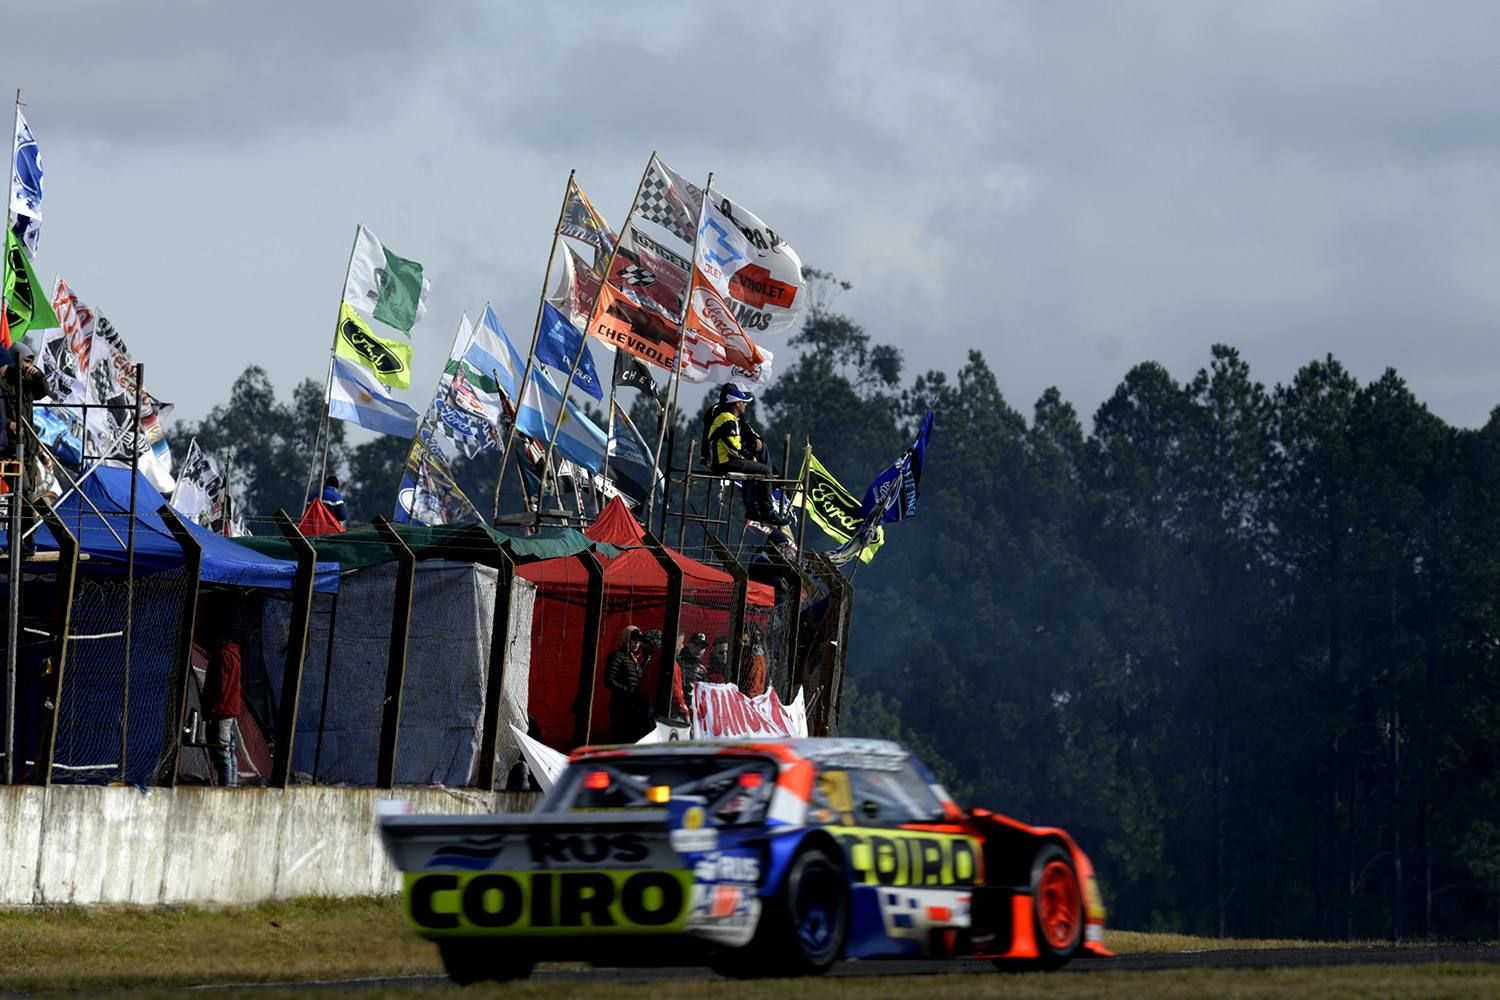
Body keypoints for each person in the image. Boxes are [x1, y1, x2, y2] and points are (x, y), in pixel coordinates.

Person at [704, 384, 790, 526]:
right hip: (723, 462)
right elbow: (734, 448)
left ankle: (753, 509)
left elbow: (740, 442)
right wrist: (750, 458)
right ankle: (768, 511)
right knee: (765, 470)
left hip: (726, 460)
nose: (745, 405)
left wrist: (750, 458)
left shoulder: (731, 418)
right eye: (743, 402)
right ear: (737, 404)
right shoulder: (727, 419)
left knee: (754, 468)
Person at [199, 613, 244, 787]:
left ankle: (227, 787)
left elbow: (220, 687)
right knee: (229, 751)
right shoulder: (233, 654)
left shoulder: (223, 656)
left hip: (221, 711)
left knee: (222, 752)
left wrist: (211, 711)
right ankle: (230, 785)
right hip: (230, 710)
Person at [605, 625, 651, 743]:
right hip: (620, 705)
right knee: (619, 737)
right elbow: (608, 680)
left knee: (630, 738)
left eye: (639, 640)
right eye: (634, 639)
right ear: (626, 638)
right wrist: (628, 690)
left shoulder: (635, 660)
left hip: (633, 707)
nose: (637, 643)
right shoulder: (617, 656)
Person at [678, 632, 708, 708]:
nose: (698, 649)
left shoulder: (702, 670)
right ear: (688, 644)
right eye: (696, 645)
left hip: (693, 706)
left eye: (702, 647)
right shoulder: (678, 661)